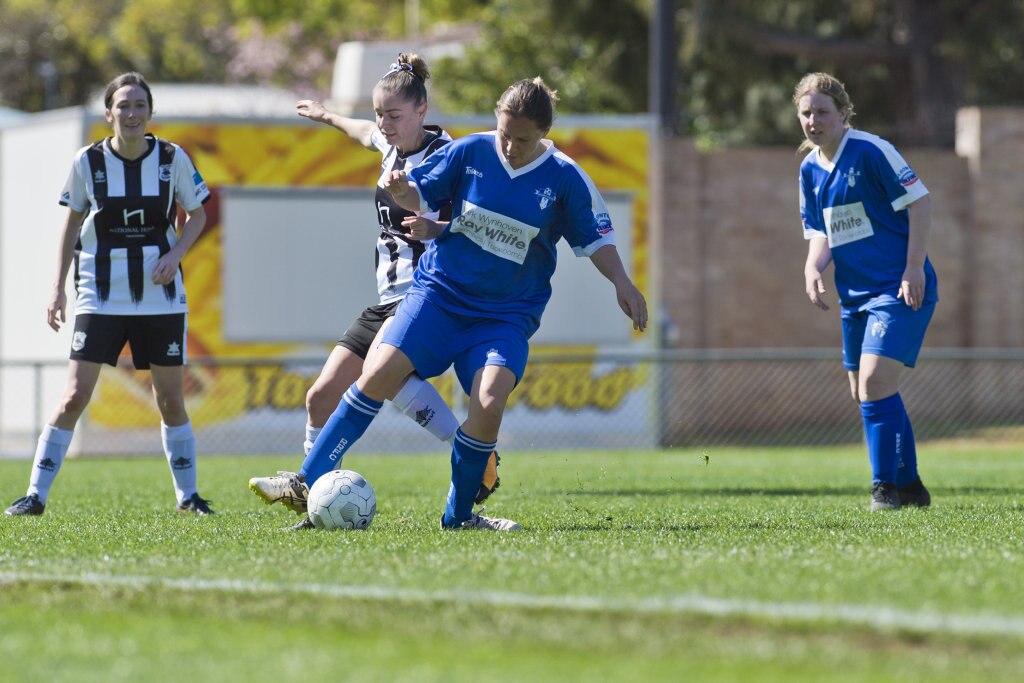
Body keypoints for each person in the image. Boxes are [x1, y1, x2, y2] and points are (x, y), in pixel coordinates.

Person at [251, 77, 648, 531]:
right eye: (504, 134)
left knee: (490, 402)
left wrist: (622, 282)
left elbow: (597, 238)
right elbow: (420, 191)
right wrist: (404, 194)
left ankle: (459, 517)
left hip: (504, 316)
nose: (511, 147)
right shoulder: (471, 151)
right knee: (378, 372)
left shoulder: (565, 177)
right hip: (438, 295)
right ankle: (306, 481)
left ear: (544, 133)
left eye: (523, 139)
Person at [247, 53, 500, 528]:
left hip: (425, 295)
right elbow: (360, 131)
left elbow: (476, 220)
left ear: (421, 111)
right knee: (320, 396)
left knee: (391, 381)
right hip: (383, 298)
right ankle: (318, 497)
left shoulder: (450, 155)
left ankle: (478, 455)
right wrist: (326, 117)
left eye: (393, 116)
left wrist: (438, 226)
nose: (383, 124)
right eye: (379, 114)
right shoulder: (388, 145)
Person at [4, 72, 214, 516]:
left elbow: (197, 215)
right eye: (123, 105)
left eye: (140, 105)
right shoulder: (88, 162)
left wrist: (176, 254)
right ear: (108, 114)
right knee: (73, 396)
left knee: (170, 399)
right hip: (98, 295)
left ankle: (188, 497)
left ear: (150, 112)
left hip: (160, 297)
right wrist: (56, 288)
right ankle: (35, 495)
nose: (132, 113)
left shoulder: (172, 158)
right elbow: (70, 223)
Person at [795, 72, 936, 511]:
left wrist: (914, 267)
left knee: (875, 383)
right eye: (806, 112)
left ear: (842, 113)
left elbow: (920, 201)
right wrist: (812, 266)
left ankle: (884, 490)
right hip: (854, 297)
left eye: (822, 111)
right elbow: (822, 230)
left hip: (897, 289)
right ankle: (911, 485)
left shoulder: (872, 151)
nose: (813, 120)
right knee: (864, 390)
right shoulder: (809, 169)